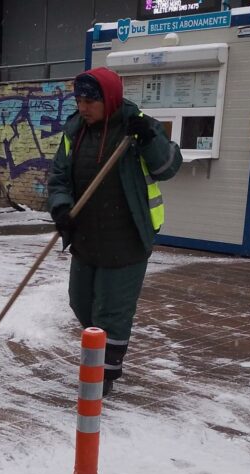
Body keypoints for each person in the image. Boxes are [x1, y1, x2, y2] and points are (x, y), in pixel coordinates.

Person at [46, 67, 182, 397]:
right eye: (79, 100)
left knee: (111, 312)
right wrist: (61, 207)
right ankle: (99, 357)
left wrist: (150, 140)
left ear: (109, 99)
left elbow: (168, 167)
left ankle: (104, 374)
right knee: (81, 303)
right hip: (86, 237)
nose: (83, 107)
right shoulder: (74, 131)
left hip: (126, 237)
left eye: (90, 101)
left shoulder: (138, 127)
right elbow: (59, 177)